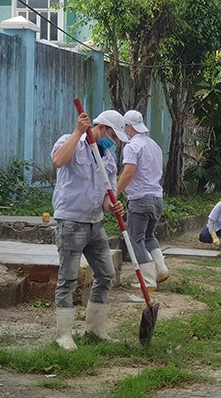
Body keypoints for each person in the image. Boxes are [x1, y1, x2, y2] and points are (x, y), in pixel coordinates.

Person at [51, 110, 128, 350]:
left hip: (96, 223)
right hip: (71, 221)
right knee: (68, 279)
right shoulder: (70, 140)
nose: (113, 142)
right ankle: (63, 334)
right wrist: (77, 132)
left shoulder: (108, 160)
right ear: (102, 127)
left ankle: (95, 329)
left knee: (106, 275)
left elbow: (106, 198)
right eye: (113, 136)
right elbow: (58, 161)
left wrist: (113, 204)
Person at [116, 110, 168, 292]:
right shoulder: (155, 145)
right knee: (149, 236)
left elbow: (129, 172)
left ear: (129, 127)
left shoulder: (132, 146)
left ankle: (148, 281)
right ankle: (161, 269)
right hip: (157, 198)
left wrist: (115, 192)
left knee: (136, 239)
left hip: (140, 199)